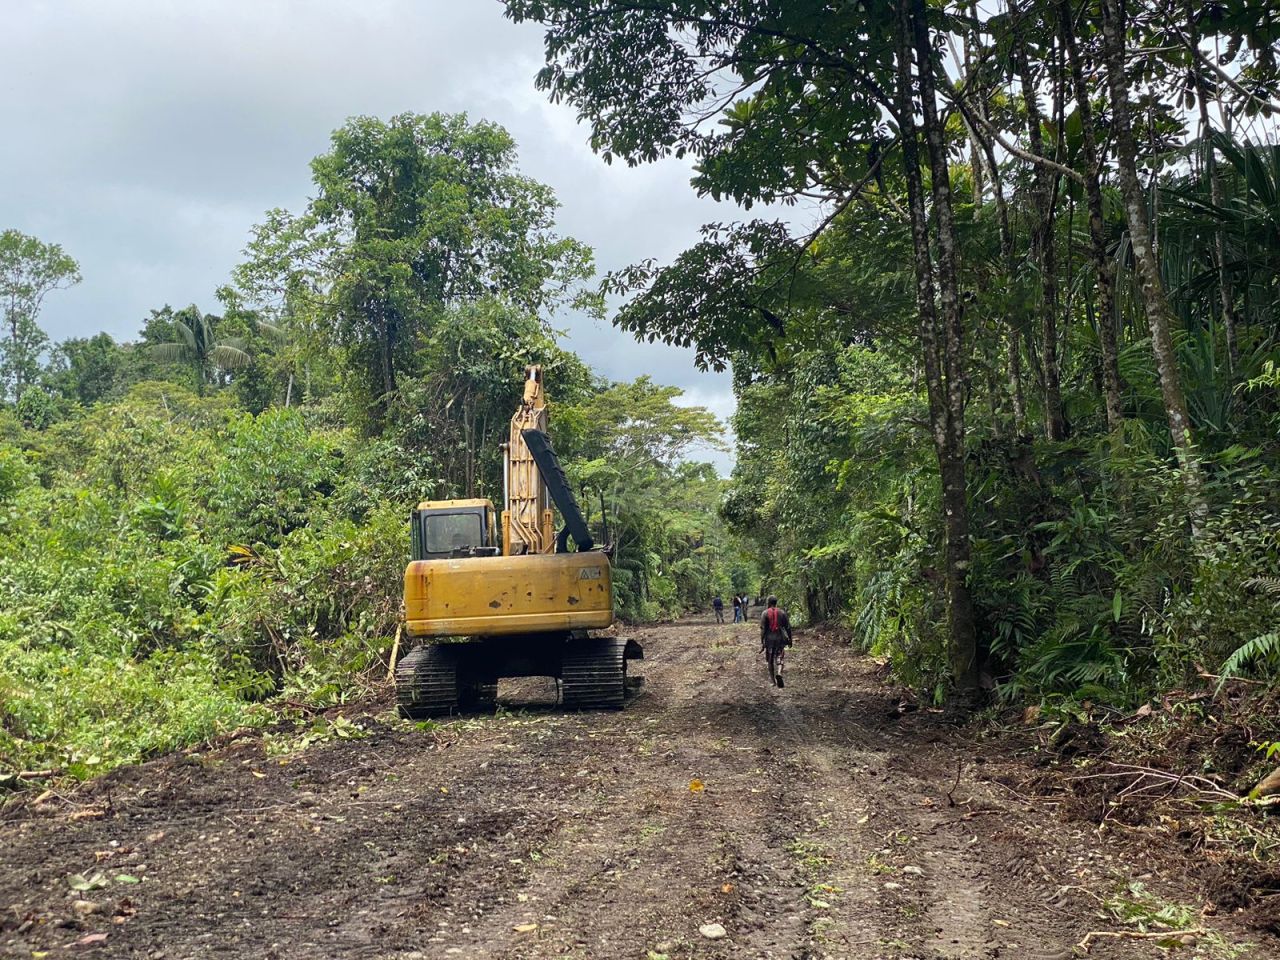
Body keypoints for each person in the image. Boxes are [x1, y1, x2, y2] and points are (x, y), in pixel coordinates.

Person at [759, 596, 793, 688]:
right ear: (776, 603)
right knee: (780, 657)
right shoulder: (782, 613)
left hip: (769, 640)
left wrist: (762, 642)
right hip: (780, 639)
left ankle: (773, 682)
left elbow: (763, 629)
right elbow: (788, 628)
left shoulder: (765, 613)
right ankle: (779, 673)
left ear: (768, 603)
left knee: (770, 660)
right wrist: (790, 640)